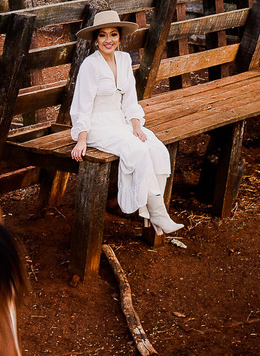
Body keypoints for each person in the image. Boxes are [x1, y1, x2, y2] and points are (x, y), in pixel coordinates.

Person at [69, 9, 184, 236]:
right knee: (137, 151)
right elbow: (82, 105)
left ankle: (150, 215)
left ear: (120, 37)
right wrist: (81, 139)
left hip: (120, 121)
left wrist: (136, 126)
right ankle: (157, 213)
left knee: (155, 148)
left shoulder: (123, 60)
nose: (108, 40)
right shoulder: (90, 65)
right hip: (97, 124)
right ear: (96, 39)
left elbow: (130, 99)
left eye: (113, 34)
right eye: (102, 35)